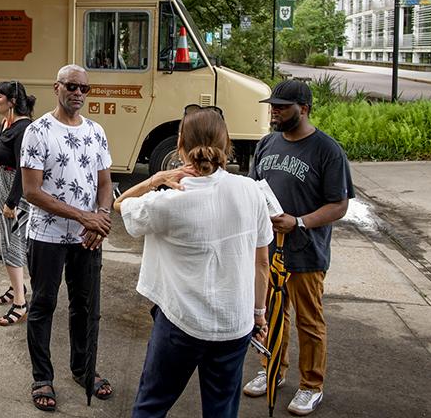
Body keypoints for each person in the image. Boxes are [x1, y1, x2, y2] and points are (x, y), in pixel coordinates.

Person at [115, 106, 272, 418]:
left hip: (180, 322)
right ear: (226, 143)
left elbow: (120, 205)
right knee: (222, 410)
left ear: (180, 145)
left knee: (152, 404)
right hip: (235, 322)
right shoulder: (251, 191)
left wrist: (155, 179)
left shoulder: (168, 201)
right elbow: (262, 263)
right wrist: (258, 315)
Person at [243, 79, 354, 416]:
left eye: (282, 107)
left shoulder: (327, 150)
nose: (274, 112)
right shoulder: (267, 143)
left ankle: (311, 386)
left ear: (303, 109)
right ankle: (273, 368)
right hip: (269, 250)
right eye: (272, 106)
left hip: (306, 251)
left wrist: (299, 222)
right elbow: (253, 188)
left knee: (309, 321)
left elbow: (339, 205)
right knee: (271, 316)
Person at [20, 64, 114, 412]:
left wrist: (100, 218)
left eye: (84, 88)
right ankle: (42, 377)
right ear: (56, 87)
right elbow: (32, 191)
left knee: (85, 307)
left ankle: (83, 369)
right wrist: (82, 216)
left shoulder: (96, 131)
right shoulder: (38, 131)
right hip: (47, 235)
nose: (78, 93)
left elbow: (105, 183)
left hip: (86, 238)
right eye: (72, 86)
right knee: (44, 304)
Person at [0, 80, 36, 326]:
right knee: (3, 241)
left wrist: (12, 202)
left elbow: (25, 170)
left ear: (12, 101)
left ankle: (21, 303)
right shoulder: (6, 122)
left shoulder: (24, 128)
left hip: (12, 192)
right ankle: (16, 287)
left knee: (12, 243)